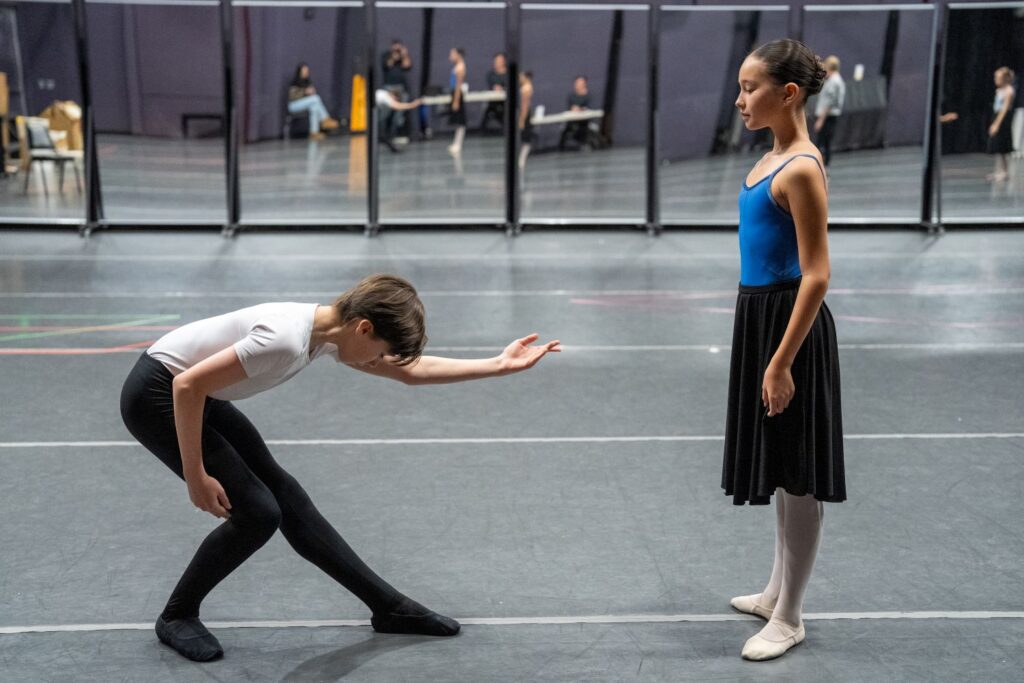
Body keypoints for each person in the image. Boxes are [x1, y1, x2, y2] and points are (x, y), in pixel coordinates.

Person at [120, 274, 561, 662]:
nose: (375, 364)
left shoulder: (328, 331)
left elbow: (410, 371)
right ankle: (177, 615)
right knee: (259, 513)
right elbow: (186, 384)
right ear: (364, 326)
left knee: (287, 497)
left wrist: (499, 366)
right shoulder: (285, 338)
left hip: (200, 395)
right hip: (157, 397)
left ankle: (387, 607)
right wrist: (196, 477)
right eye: (377, 352)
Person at [725, 39, 845, 662]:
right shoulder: (770, 160)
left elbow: (817, 273)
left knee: (798, 476)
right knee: (779, 466)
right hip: (760, 318)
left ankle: (791, 615)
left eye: (750, 88)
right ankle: (777, 590)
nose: (740, 99)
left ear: (788, 94)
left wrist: (780, 361)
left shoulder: (800, 166)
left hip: (789, 331)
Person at [287, 63, 339, 141]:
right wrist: (305, 92)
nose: (305, 72)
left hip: (305, 104)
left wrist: (311, 92)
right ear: (300, 71)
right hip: (293, 105)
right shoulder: (295, 81)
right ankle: (325, 119)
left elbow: (309, 96)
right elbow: (292, 96)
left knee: (314, 108)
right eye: (303, 70)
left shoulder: (307, 81)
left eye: (306, 70)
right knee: (316, 98)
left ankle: (313, 132)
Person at [813, 55, 845, 167]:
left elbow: (829, 102)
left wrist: (821, 120)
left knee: (822, 142)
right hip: (828, 116)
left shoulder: (834, 82)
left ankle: (821, 165)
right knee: (825, 142)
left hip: (827, 117)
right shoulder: (836, 80)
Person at [987, 66, 1016, 182]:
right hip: (996, 115)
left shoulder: (1009, 90)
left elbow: (1004, 109)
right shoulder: (999, 90)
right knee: (997, 148)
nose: (996, 79)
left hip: (1003, 119)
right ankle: (999, 171)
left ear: (1005, 79)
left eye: (998, 77)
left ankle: (1004, 172)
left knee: (1002, 147)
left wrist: (997, 124)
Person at [382, 40, 413, 138]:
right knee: (387, 111)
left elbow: (407, 65)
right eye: (395, 48)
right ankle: (386, 133)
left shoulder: (402, 57)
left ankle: (396, 131)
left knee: (401, 109)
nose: (397, 50)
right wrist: (393, 56)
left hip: (400, 87)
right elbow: (388, 65)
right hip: (389, 87)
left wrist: (404, 55)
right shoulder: (386, 55)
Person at [376, 89, 422, 153]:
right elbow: (397, 106)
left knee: (382, 134)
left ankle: (393, 148)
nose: (394, 100)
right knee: (382, 134)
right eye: (395, 99)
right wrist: (413, 105)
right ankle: (393, 149)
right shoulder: (386, 97)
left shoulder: (383, 92)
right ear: (394, 96)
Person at [559, 75, 591, 151]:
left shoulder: (588, 95)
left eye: (580, 83)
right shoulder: (571, 96)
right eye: (577, 83)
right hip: (572, 120)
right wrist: (574, 109)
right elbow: (570, 107)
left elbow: (589, 107)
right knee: (566, 129)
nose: (578, 85)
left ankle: (584, 143)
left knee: (583, 127)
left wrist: (581, 109)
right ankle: (561, 148)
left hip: (584, 121)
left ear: (584, 84)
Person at [479, 52, 508, 134]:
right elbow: (493, 85)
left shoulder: (509, 74)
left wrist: (503, 88)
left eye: (499, 60)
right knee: (487, 116)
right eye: (496, 61)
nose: (497, 62)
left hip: (506, 103)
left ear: (504, 61)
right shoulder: (491, 75)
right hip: (493, 103)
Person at [447, 48, 468, 155]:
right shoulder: (456, 66)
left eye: (452, 54)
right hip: (454, 93)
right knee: (457, 121)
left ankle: (458, 143)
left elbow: (458, 85)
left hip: (457, 94)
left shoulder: (460, 67)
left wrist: (456, 100)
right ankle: (456, 142)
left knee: (460, 120)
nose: (450, 55)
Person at [518, 70, 535, 170]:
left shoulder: (526, 89)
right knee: (524, 136)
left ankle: (522, 159)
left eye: (522, 77)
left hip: (525, 113)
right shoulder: (526, 87)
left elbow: (525, 105)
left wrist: (522, 119)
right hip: (524, 113)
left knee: (525, 137)